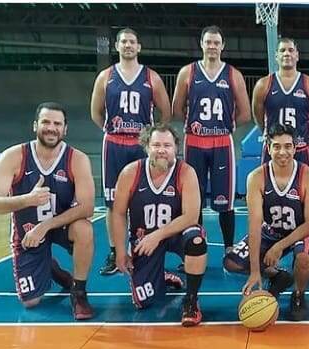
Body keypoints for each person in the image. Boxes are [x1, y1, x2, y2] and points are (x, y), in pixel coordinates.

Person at [0, 102, 94, 320]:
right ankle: (51, 267)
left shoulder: (77, 159)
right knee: (31, 302)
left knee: (84, 229)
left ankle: (79, 291)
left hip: (59, 225)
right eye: (46, 122)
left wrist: (45, 226)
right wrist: (27, 200)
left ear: (65, 129)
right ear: (35, 125)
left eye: (57, 123)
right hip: (28, 231)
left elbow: (87, 207)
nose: (51, 128)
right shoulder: (14, 156)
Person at [90, 27, 172, 276]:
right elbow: (95, 112)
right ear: (117, 46)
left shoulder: (151, 77)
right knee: (113, 202)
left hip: (140, 145)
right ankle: (116, 250)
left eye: (132, 42)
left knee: (144, 199)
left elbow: (166, 112)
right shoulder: (106, 76)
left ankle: (144, 247)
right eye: (123, 42)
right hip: (114, 143)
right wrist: (110, 128)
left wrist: (150, 137)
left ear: (139, 47)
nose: (128, 45)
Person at [111, 124, 208, 327]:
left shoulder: (186, 172)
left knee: (196, 239)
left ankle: (191, 300)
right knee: (143, 302)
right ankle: (160, 277)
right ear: (146, 147)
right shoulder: (130, 173)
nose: (162, 150)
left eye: (167, 145)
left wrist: (158, 235)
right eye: (156, 145)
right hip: (143, 238)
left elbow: (191, 216)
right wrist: (120, 251)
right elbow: (118, 214)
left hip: (176, 234)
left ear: (176, 148)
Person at [223, 123, 309, 321]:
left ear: (295, 148)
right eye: (276, 146)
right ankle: (277, 275)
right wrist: (255, 272)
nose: (282, 152)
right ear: (268, 148)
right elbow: (254, 225)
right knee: (231, 262)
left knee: (303, 259)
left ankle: (298, 295)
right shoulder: (256, 177)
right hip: (272, 229)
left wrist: (279, 247)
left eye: (287, 146)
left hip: (303, 229)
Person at [172, 25, 251, 258]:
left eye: (216, 43)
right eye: (208, 42)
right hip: (194, 141)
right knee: (193, 197)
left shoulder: (233, 74)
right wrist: (195, 123)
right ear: (202, 44)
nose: (212, 46)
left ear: (223, 46)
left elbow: (245, 112)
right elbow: (178, 108)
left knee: (225, 201)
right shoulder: (188, 72)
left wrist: (227, 125)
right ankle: (195, 245)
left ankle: (229, 248)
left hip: (222, 143)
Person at [251, 37, 309, 268]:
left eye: (291, 50)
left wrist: (297, 140)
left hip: (302, 147)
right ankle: (268, 243)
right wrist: (274, 139)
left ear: (297, 55)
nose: (286, 54)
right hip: (274, 149)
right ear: (276, 55)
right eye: (282, 50)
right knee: (268, 197)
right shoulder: (264, 84)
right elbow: (257, 114)